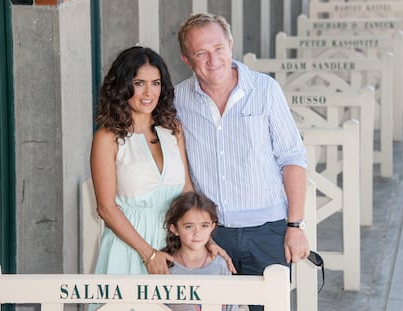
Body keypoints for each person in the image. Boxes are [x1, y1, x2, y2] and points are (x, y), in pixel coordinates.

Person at [174, 13, 309, 310]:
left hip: (267, 232)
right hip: (209, 234)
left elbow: (293, 158)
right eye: (201, 53)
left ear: (231, 45)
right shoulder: (177, 100)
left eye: (219, 48)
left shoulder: (265, 90)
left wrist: (295, 226)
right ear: (186, 59)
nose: (213, 59)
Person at [89, 46, 194, 281]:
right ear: (122, 87)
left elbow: (187, 190)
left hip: (173, 248)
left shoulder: (172, 129)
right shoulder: (107, 138)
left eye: (156, 83)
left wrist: (204, 241)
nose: (149, 92)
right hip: (128, 250)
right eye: (139, 83)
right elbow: (106, 208)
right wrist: (149, 254)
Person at [162, 192, 238, 311]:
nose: (197, 233)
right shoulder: (166, 266)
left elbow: (230, 306)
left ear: (212, 227)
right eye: (189, 226)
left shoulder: (220, 265)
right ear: (174, 229)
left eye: (204, 225)